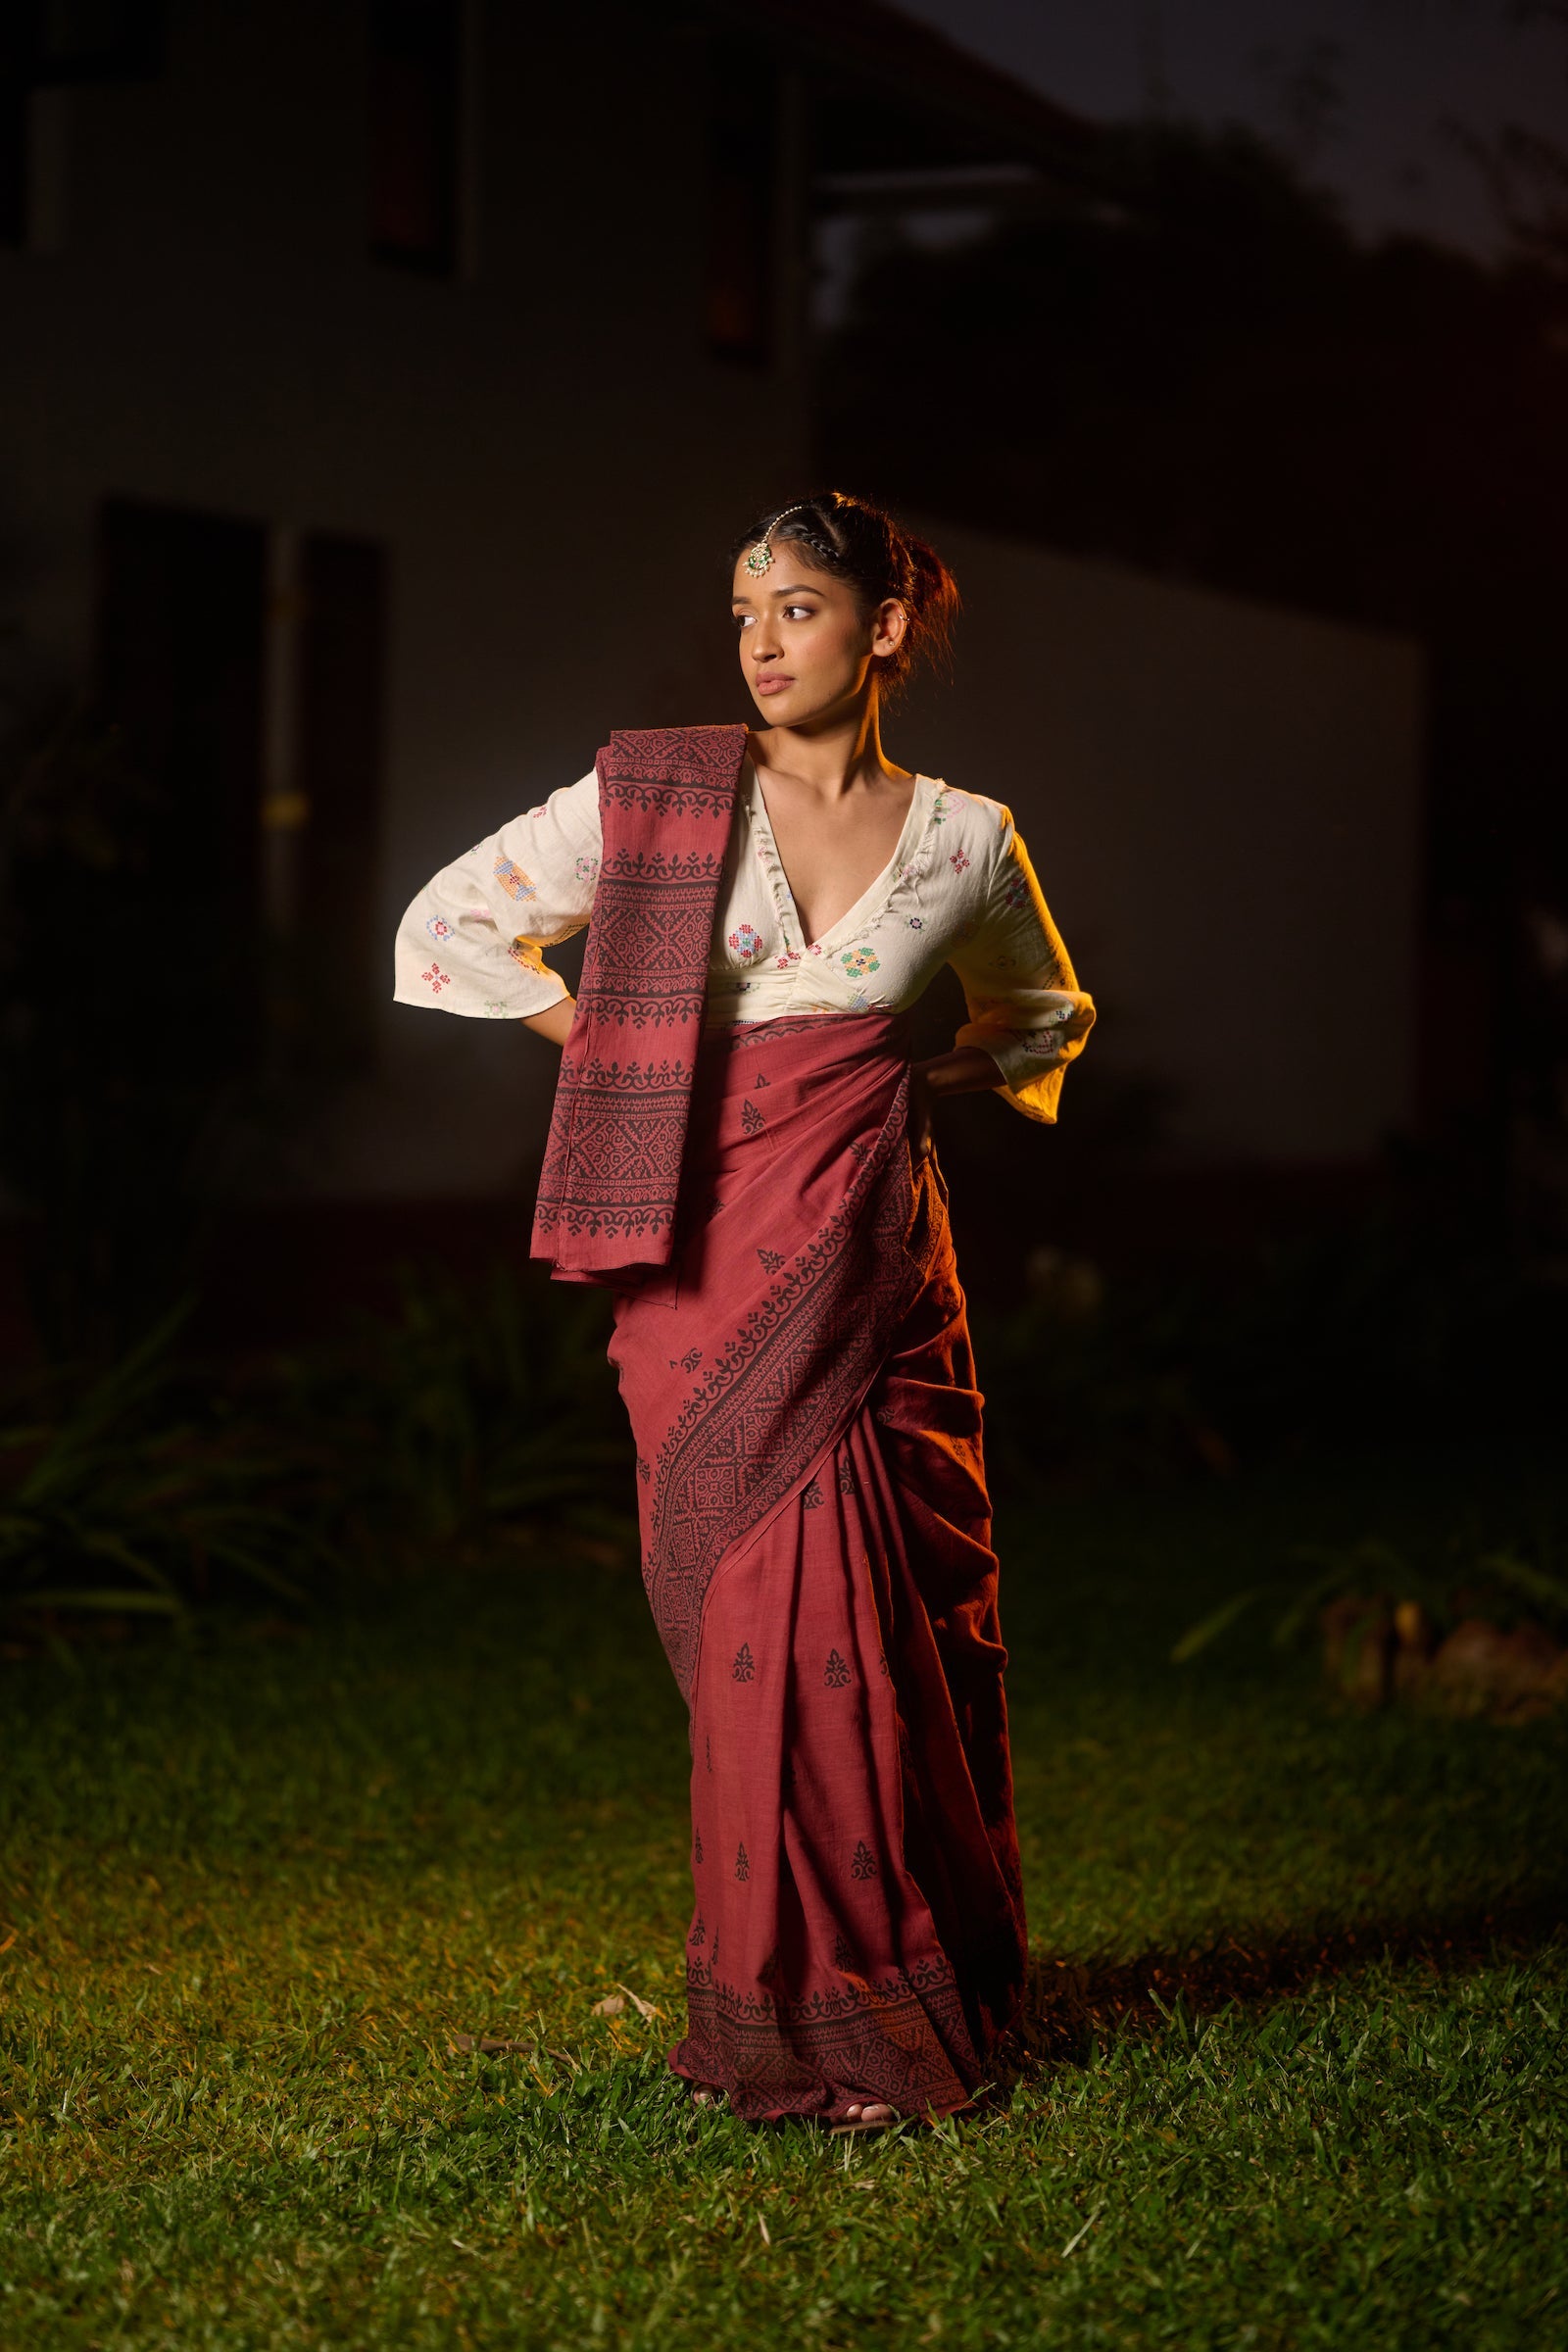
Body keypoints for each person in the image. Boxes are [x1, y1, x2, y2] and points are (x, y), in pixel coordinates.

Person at [394, 491, 1094, 2129]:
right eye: (741, 612)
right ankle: (788, 2003)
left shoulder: (968, 839)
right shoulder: (659, 797)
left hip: (874, 1259)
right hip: (706, 1252)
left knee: (891, 1612)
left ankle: (902, 1994)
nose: (760, 643)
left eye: (795, 608)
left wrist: (916, 1080)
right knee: (753, 1633)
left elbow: (1045, 1012)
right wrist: (616, 1043)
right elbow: (447, 925)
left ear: (883, 628)